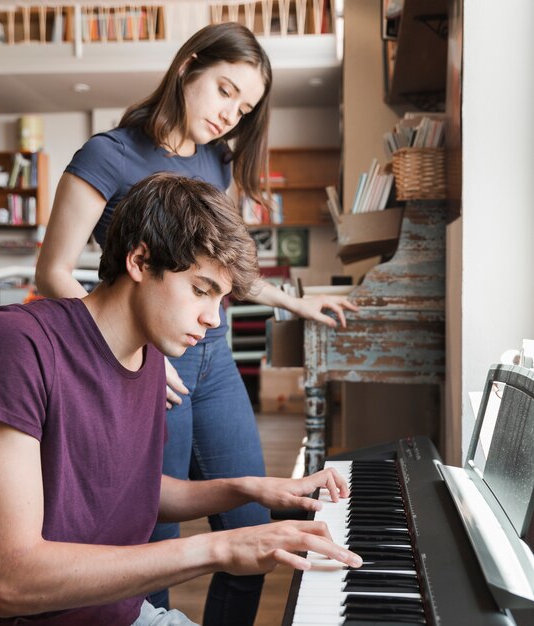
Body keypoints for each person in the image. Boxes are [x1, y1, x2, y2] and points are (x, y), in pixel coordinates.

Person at [0, 173, 361, 626]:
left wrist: (247, 488)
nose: (212, 318)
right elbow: (10, 581)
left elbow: (126, 487)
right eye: (201, 290)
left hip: (115, 613)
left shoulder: (149, 359)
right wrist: (219, 548)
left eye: (221, 299)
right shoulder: (16, 344)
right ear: (140, 261)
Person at [35, 21, 358, 624]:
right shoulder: (108, 154)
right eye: (225, 90)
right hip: (153, 360)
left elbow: (221, 267)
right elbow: (52, 273)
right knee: (154, 539)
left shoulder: (217, 159)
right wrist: (127, 360)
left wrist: (297, 301)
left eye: (246, 105)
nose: (232, 113)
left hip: (214, 359)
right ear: (187, 68)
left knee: (252, 529)